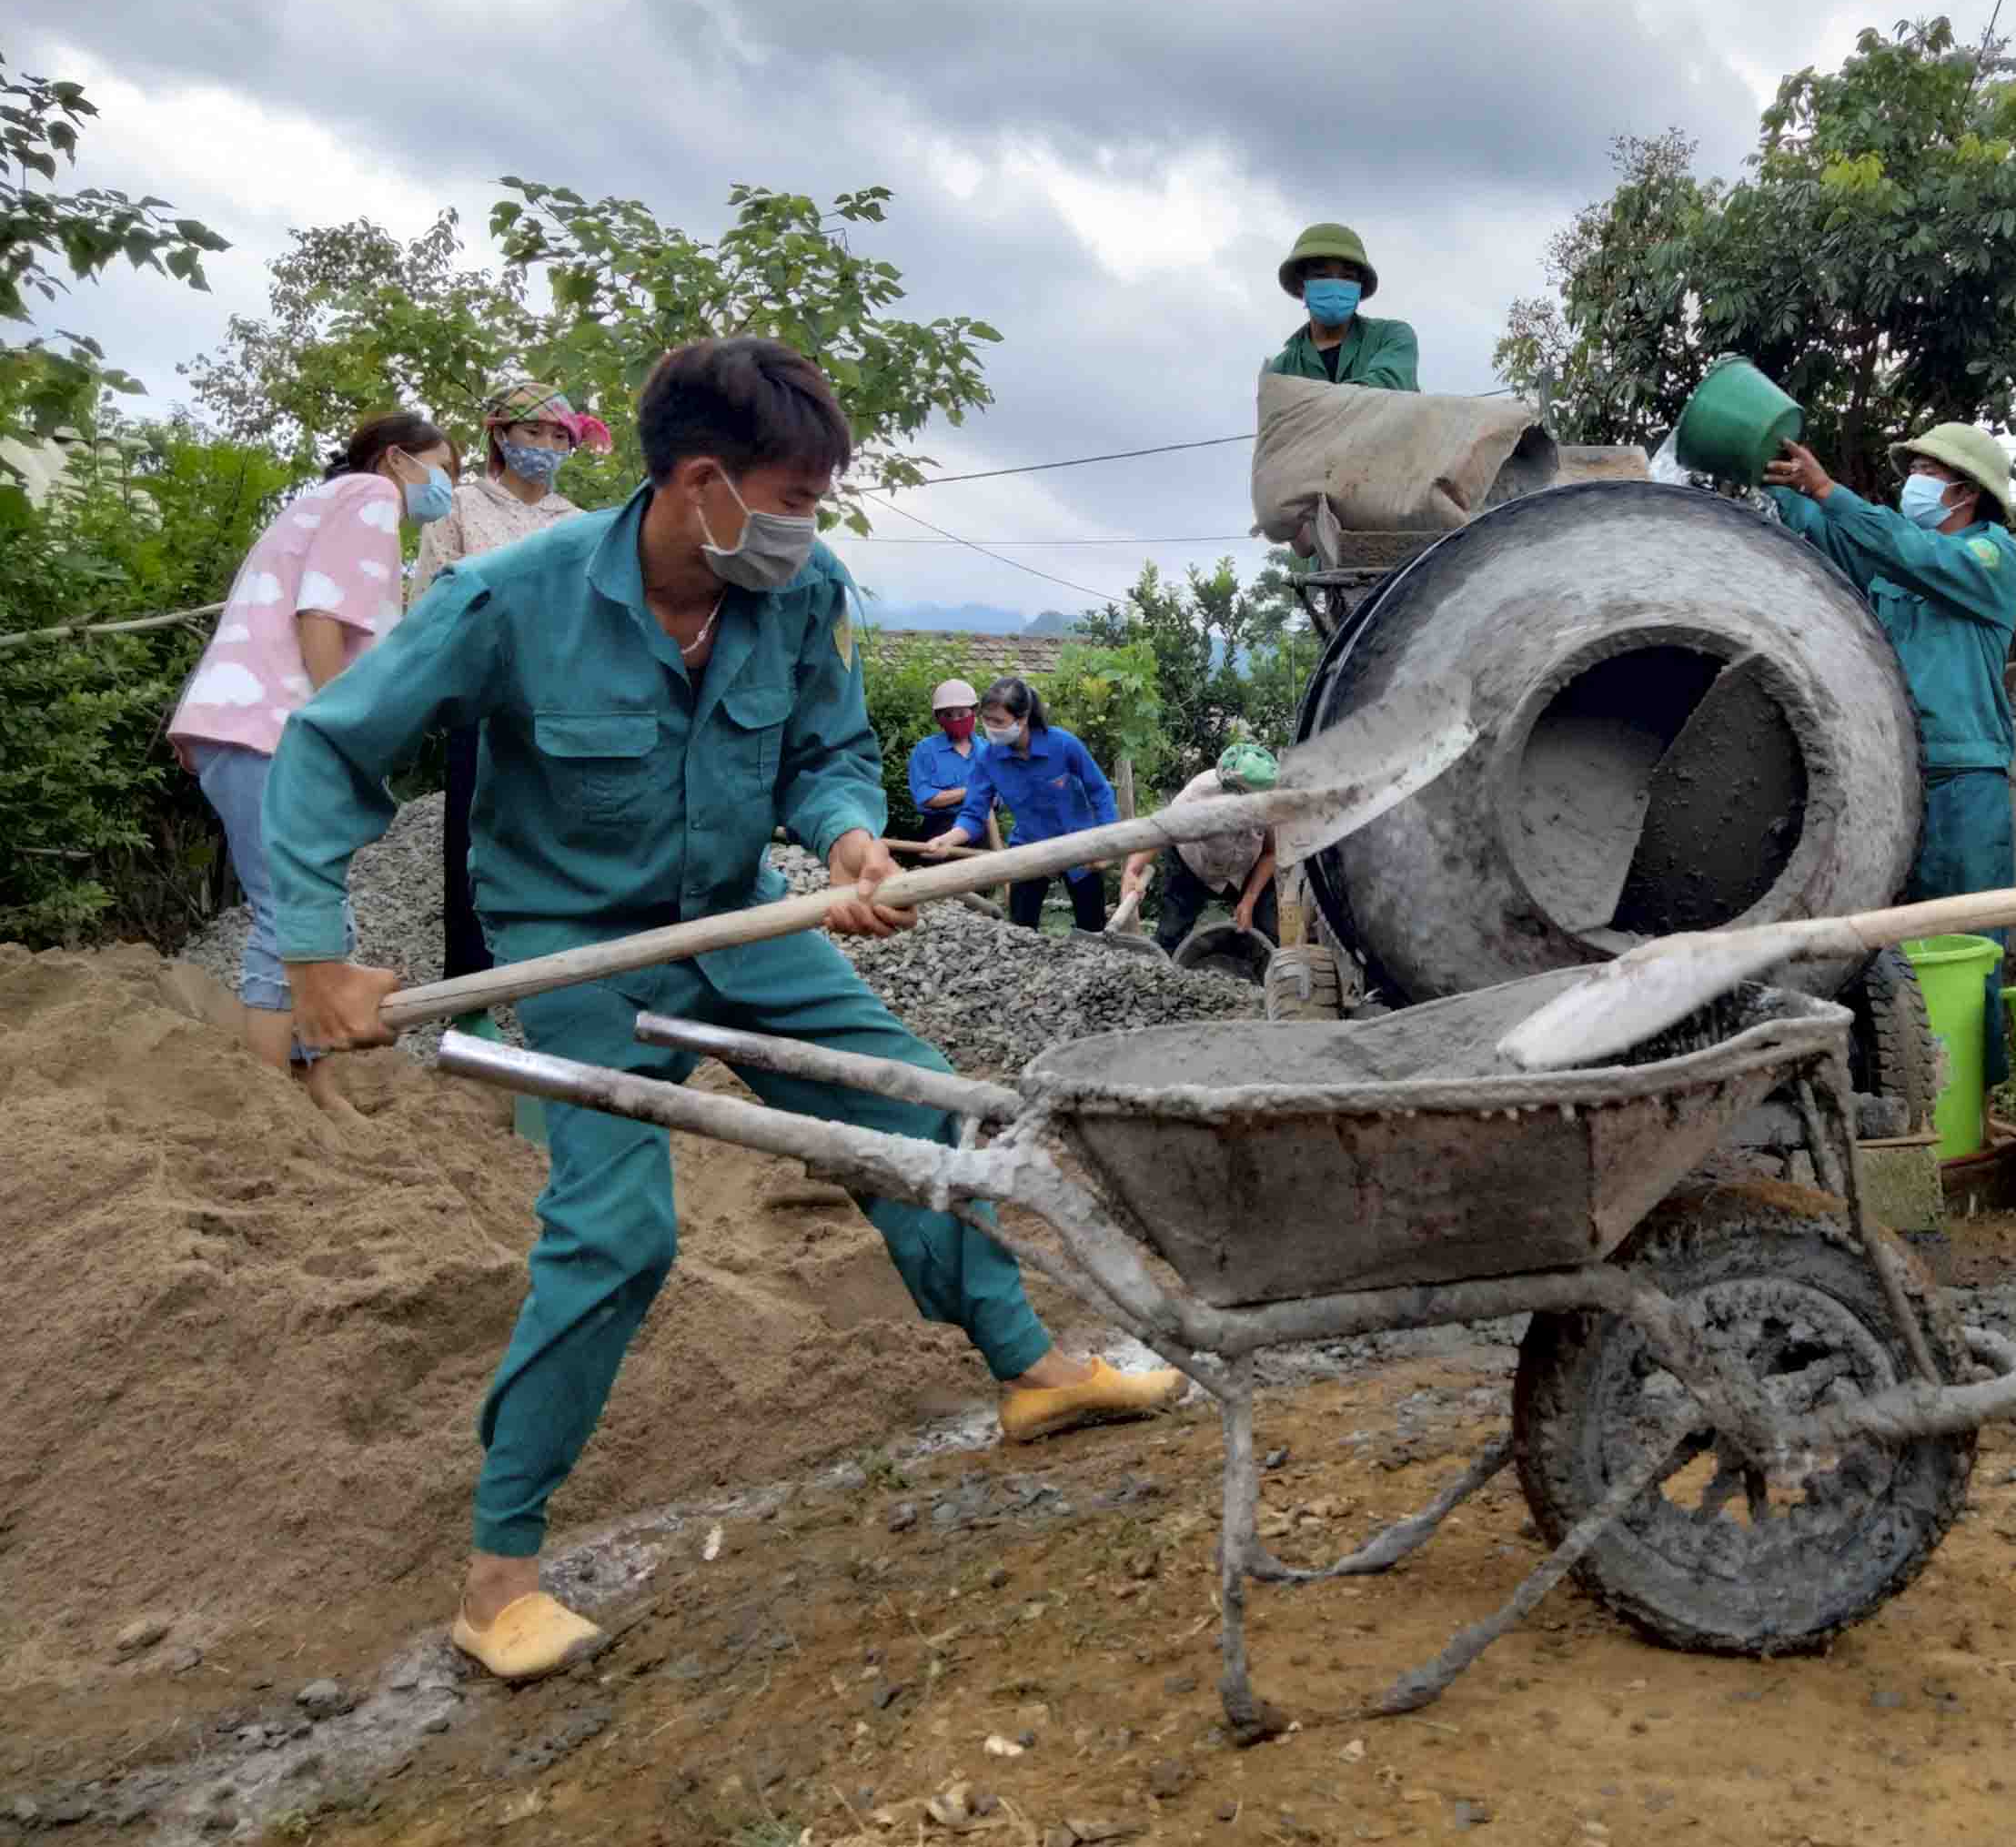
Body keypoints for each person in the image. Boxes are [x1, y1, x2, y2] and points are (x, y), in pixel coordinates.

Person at [266, 338, 1184, 1681]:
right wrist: (311, 954)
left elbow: (822, 754)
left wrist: (855, 841)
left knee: (916, 1107)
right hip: (575, 949)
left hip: (739, 914)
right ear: (701, 484)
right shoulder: (507, 599)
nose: (808, 526)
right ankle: (499, 1574)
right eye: (795, 494)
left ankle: (1032, 1370)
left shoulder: (801, 591)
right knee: (619, 1229)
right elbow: (329, 745)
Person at [169, 410, 455, 1118]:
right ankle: (272, 1105)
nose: (446, 485)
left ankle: (310, 1082)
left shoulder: (323, 504)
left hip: (247, 725)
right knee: (290, 913)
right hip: (275, 729)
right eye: (442, 466)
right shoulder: (370, 498)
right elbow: (321, 615)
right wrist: (337, 728)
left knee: (310, 910)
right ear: (397, 460)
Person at [1765, 421, 2016, 1105]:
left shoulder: (1991, 559)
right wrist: (1798, 496)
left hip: (1968, 780)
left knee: (1970, 947)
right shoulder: (1896, 569)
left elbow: (1906, 550)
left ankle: (1971, 1105)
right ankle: (1912, 1096)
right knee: (1894, 949)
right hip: (1897, 779)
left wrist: (1832, 491)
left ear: (1966, 491)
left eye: (1924, 471)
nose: (1913, 480)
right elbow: (1840, 552)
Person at [411, 380, 592, 1039]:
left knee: (558, 845)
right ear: (501, 436)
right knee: (469, 843)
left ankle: (561, 995)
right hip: (481, 700)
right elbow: (431, 601)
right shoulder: (459, 508)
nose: (544, 448)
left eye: (557, 438)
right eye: (532, 434)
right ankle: (469, 999)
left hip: (556, 708)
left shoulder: (576, 524)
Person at [919, 676, 1120, 931]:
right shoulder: (988, 759)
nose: (990, 728)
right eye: (986, 720)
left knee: (1091, 928)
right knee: (1020, 930)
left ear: (1022, 719)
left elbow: (1099, 791)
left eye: (998, 722)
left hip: (1079, 845)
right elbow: (973, 814)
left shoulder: (1063, 744)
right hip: (1029, 847)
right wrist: (948, 840)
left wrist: (1107, 842)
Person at [1119, 742, 1281, 954]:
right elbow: (1162, 829)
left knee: (1266, 930)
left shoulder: (1272, 802)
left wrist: (1249, 899)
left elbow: (1270, 853)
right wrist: (1133, 870)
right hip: (1192, 865)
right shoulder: (1202, 791)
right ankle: (1161, 972)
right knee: (1171, 932)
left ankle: (1249, 966)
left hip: (1243, 870)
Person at [1266, 223, 1418, 390]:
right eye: (1321, 275)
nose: (1335, 285)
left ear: (1359, 288)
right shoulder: (1282, 369)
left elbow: (1388, 386)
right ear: (1301, 285)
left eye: (1347, 276)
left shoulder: (1391, 337)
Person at [905, 678, 983, 844]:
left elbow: (996, 796)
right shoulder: (925, 750)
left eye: (961, 714)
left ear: (973, 712)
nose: (955, 720)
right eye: (948, 715)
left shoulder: (986, 751)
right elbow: (925, 797)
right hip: (938, 832)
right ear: (938, 718)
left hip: (981, 831)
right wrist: (970, 791)